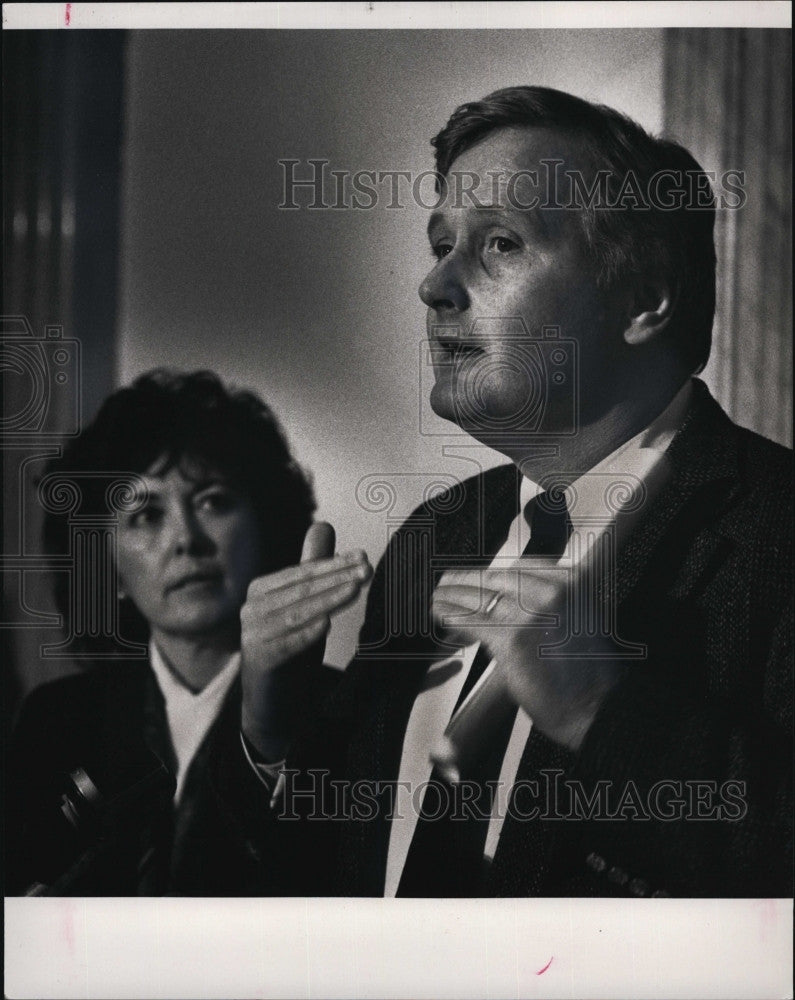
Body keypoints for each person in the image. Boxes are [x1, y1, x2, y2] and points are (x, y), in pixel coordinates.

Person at [222, 85, 792, 899]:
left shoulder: (778, 533)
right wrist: (272, 734)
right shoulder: (433, 537)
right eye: (439, 243)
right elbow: (335, 879)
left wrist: (605, 715)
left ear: (645, 300)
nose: (433, 287)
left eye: (498, 243)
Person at [6, 369, 351, 895]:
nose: (186, 539)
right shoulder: (56, 721)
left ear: (265, 526)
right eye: (145, 515)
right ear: (108, 568)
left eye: (213, 501)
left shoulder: (342, 709)